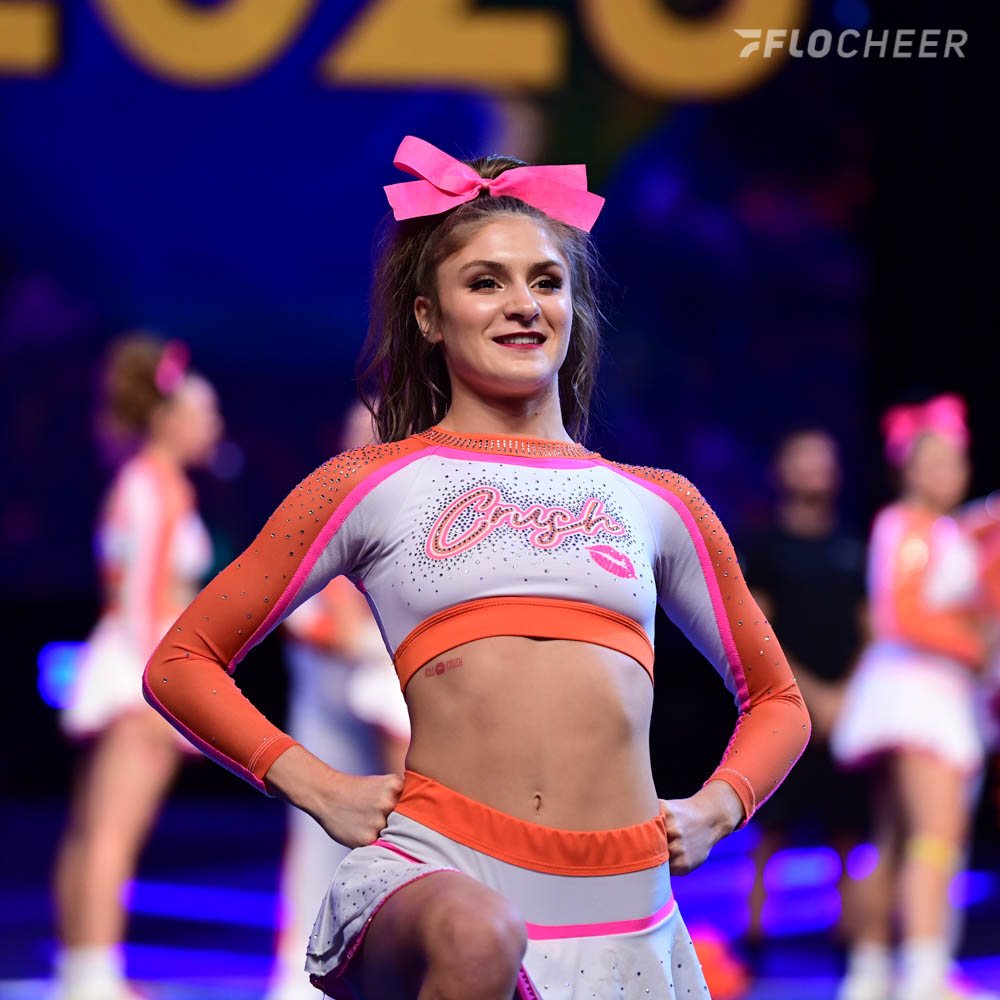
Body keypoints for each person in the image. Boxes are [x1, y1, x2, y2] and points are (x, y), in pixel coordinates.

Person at [143, 135, 810, 999]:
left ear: (575, 308)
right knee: (477, 936)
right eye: (485, 281)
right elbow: (181, 661)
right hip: (443, 871)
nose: (523, 304)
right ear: (428, 316)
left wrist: (719, 806)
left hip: (628, 913)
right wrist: (317, 786)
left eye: (546, 281)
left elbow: (779, 701)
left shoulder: (661, 502)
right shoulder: (372, 481)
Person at [53, 334, 222, 1000]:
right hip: (138, 675)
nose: (213, 426)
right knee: (109, 836)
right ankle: (92, 979)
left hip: (127, 667)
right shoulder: (157, 488)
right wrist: (169, 695)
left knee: (94, 831)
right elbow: (145, 604)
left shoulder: (143, 484)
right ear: (169, 418)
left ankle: (82, 973)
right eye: (205, 412)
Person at [832, 395, 988, 1000]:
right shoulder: (909, 527)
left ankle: (871, 972)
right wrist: (977, 647)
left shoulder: (945, 531)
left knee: (894, 839)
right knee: (933, 837)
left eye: (959, 461)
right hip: (920, 696)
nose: (951, 473)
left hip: (925, 692)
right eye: (938, 461)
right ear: (911, 468)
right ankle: (923, 975)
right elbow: (902, 615)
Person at [268, 402, 409, 1000]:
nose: (365, 441)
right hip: (334, 692)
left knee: (405, 831)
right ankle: (303, 973)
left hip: (388, 687)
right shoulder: (322, 506)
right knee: (320, 835)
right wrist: (350, 639)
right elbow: (294, 611)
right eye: (356, 431)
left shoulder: (410, 504)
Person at [740, 429, 867, 948]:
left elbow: (872, 628)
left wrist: (847, 695)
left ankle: (851, 929)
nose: (814, 468)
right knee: (771, 823)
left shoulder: (854, 546)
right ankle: (753, 932)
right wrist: (809, 693)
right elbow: (756, 629)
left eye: (823, 459)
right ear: (781, 471)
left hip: (846, 708)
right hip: (784, 704)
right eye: (802, 459)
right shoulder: (766, 549)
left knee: (848, 825)